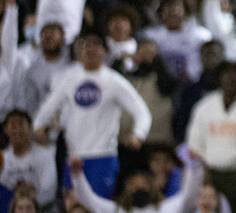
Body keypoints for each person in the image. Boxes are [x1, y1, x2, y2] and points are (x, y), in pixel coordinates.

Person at [33, 27, 152, 199]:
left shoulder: (114, 81)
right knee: (72, 207)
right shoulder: (69, 79)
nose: (90, 49)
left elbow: (142, 112)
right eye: (86, 45)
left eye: (96, 45)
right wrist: (38, 127)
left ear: (105, 52)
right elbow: (48, 106)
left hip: (103, 157)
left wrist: (138, 135)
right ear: (79, 51)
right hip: (74, 156)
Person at [185, 61, 236, 213]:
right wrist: (202, 169)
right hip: (207, 172)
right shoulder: (205, 105)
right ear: (219, 78)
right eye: (226, 75)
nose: (231, 80)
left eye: (235, 76)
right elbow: (194, 140)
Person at [68, 147, 206, 213]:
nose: (139, 188)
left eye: (144, 184)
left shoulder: (166, 209)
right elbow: (87, 199)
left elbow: (190, 195)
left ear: (152, 188)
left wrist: (194, 166)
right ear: (126, 189)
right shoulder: (115, 211)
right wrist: (76, 174)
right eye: (134, 184)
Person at [0, 109, 57, 211]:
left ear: (30, 128)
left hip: (40, 207)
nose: (17, 130)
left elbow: (49, 191)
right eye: (13, 126)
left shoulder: (45, 155)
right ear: (5, 129)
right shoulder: (3, 157)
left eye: (21, 125)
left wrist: (28, 204)